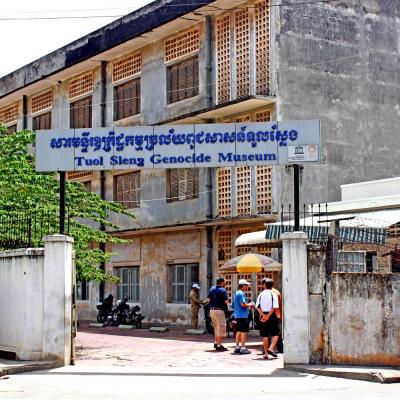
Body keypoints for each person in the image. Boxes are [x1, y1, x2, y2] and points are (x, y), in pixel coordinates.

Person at [256, 278, 280, 360]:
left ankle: (266, 353)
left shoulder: (261, 294)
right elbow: (275, 307)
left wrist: (264, 315)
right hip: (272, 315)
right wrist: (269, 315)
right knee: (275, 333)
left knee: (265, 336)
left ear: (264, 285)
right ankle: (271, 347)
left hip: (263, 315)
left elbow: (257, 307)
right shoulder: (273, 294)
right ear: (272, 285)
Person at [233, 279, 254, 354]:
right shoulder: (241, 293)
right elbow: (243, 304)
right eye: (246, 285)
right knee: (243, 331)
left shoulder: (236, 293)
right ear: (243, 285)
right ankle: (243, 347)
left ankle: (237, 346)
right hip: (243, 315)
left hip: (238, 314)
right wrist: (250, 305)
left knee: (238, 331)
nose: (247, 287)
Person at [208, 277, 229, 351]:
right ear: (222, 282)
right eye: (225, 282)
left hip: (212, 310)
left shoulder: (212, 289)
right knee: (221, 327)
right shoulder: (223, 290)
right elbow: (226, 301)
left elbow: (209, 300)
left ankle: (216, 342)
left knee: (216, 327)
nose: (225, 283)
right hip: (219, 311)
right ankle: (219, 345)